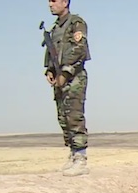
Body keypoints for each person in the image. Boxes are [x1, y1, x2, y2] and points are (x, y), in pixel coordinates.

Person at [43, 0, 91, 177]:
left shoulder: (76, 23)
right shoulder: (55, 29)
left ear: (65, 2)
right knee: (63, 117)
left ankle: (80, 158)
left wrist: (65, 73)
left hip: (74, 78)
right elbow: (52, 52)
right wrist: (50, 69)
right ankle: (72, 153)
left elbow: (80, 50)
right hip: (59, 79)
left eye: (54, 1)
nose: (50, 4)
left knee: (74, 115)